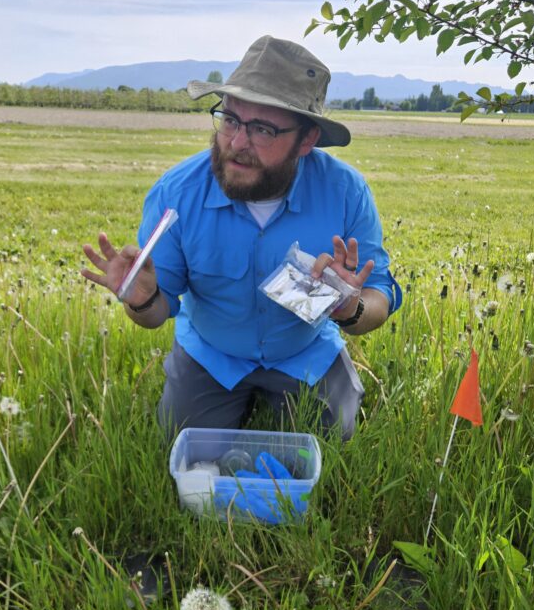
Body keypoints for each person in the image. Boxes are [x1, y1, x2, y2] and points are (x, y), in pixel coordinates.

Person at [81, 35, 402, 441]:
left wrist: (350, 307)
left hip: (304, 353)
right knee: (179, 444)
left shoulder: (346, 193)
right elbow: (155, 314)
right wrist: (142, 298)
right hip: (211, 355)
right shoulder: (176, 194)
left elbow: (379, 298)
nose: (235, 143)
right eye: (230, 120)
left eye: (263, 129)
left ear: (306, 140)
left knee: (337, 443)